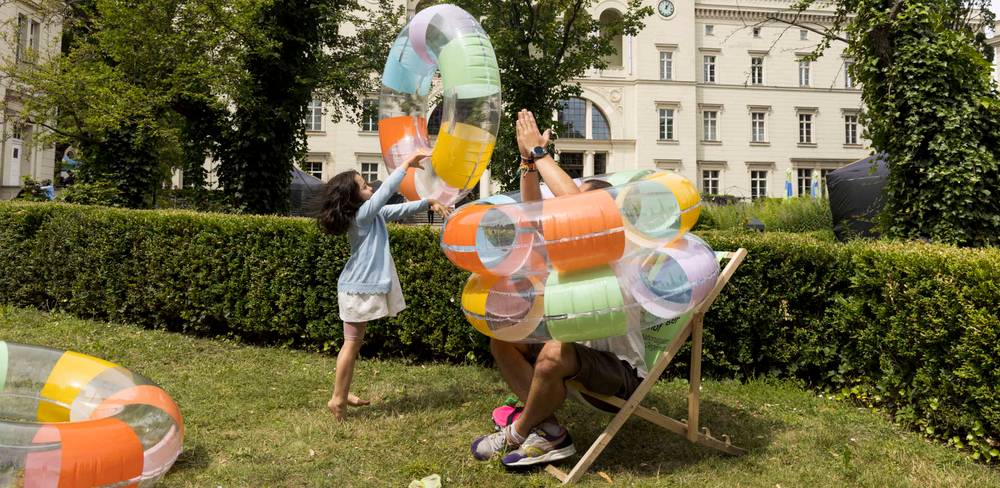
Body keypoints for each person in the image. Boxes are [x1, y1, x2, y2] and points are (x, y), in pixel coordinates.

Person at [470, 110, 646, 467]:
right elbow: (535, 212)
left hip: (619, 373)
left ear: (604, 215)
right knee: (504, 338)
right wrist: (526, 162)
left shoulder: (616, 247)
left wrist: (541, 152)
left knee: (553, 350)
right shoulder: (571, 249)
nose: (566, 210)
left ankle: (518, 431)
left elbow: (579, 208)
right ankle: (549, 432)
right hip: (571, 351)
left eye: (580, 200)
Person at [313, 150, 451, 420]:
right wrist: (406, 165)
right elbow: (385, 194)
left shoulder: (369, 215)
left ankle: (342, 392)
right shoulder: (363, 216)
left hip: (357, 289)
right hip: (357, 291)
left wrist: (428, 201)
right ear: (354, 198)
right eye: (364, 186)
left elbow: (398, 208)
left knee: (353, 344)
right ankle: (337, 399)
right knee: (350, 345)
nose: (370, 187)